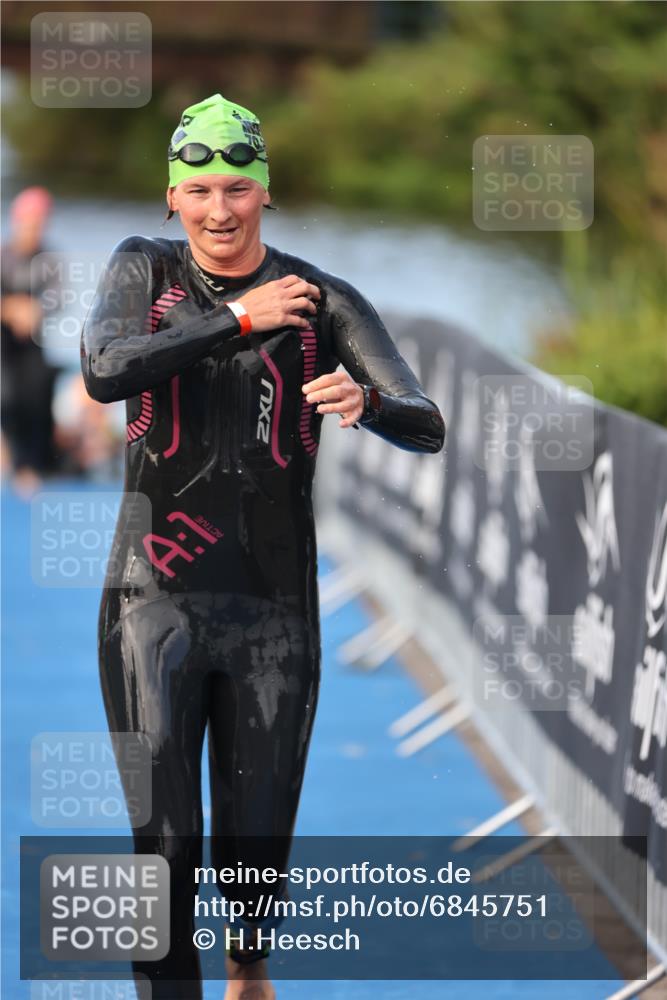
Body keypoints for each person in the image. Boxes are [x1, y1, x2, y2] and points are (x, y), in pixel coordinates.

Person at [81, 93, 445, 1000]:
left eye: (237, 188)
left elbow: (426, 422)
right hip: (149, 603)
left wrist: (370, 405)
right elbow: (104, 368)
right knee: (162, 850)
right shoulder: (143, 269)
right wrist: (241, 318)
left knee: (256, 842)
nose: (218, 209)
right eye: (198, 189)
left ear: (265, 195)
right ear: (171, 195)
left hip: (273, 611)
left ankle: (250, 964)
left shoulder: (322, 302)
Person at [1, 186, 60, 496]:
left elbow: (59, 297)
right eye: (29, 223)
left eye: (39, 224)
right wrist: (11, 309)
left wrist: (37, 309)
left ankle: (35, 465)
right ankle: (15, 460)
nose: (34, 231)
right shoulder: (3, 255)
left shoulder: (49, 258)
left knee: (37, 392)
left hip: (32, 343)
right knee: (7, 395)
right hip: (2, 343)